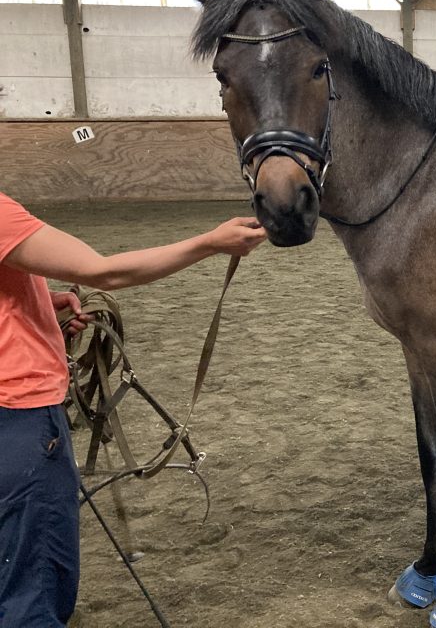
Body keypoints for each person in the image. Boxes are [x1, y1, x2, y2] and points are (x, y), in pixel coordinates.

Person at [0, 190, 266, 627]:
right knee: (34, 590)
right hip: (20, 418)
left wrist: (37, 299)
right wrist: (211, 243)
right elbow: (104, 271)